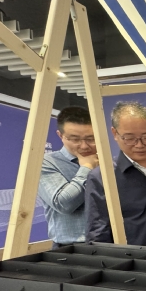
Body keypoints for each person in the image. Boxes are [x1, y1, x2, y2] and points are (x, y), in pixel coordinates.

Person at [85, 101, 146, 248]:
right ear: (115, 133)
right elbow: (97, 235)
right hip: (135, 258)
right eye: (130, 138)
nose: (139, 145)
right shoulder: (103, 177)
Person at [38, 107, 99, 249]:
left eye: (91, 139)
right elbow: (63, 204)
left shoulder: (108, 161)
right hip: (71, 248)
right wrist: (87, 167)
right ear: (60, 135)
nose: (84, 146)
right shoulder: (46, 162)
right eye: (75, 139)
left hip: (111, 243)